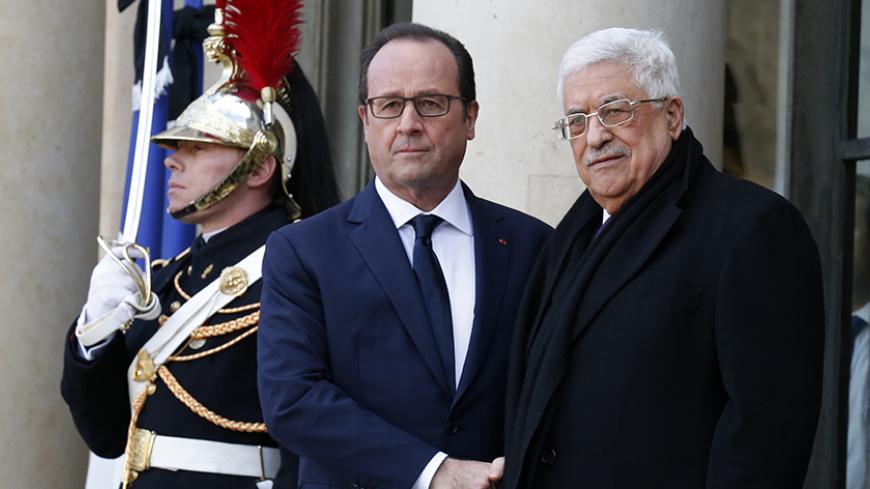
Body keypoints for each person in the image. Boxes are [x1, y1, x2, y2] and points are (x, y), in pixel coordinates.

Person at [501, 27, 824, 489]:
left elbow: (765, 438)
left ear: (672, 116)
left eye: (615, 111)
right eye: (576, 119)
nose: (593, 137)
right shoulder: (571, 238)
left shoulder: (752, 228)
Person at [257, 22, 551, 489]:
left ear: (470, 118)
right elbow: (292, 401)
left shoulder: (533, 245)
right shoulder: (304, 250)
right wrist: (433, 471)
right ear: (366, 120)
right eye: (389, 105)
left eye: (431, 103)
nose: (409, 123)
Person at [60, 4, 339, 487]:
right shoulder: (172, 278)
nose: (172, 162)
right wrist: (95, 334)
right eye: (176, 148)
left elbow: (314, 440)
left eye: (198, 147)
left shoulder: (300, 274)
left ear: (258, 167)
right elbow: (106, 434)